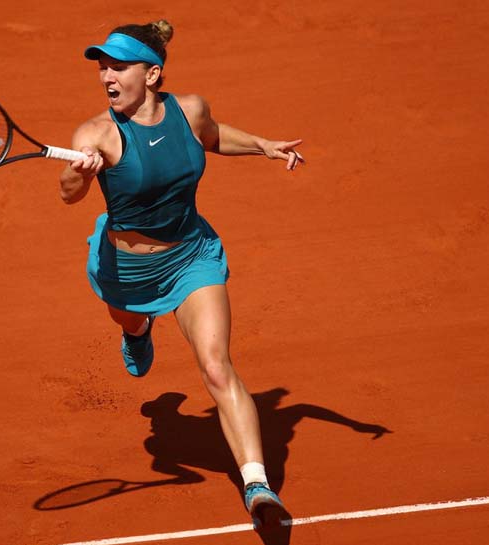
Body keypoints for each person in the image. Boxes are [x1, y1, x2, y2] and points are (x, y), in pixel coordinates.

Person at [58, 19, 304, 527]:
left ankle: (257, 486)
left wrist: (262, 144)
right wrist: (76, 173)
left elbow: (214, 137)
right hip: (126, 269)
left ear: (151, 75)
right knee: (128, 321)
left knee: (216, 365)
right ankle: (138, 331)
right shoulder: (96, 134)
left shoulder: (189, 110)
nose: (106, 76)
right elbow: (68, 195)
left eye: (118, 66)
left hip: (191, 255)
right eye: (103, 67)